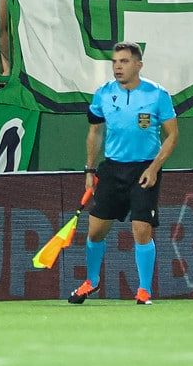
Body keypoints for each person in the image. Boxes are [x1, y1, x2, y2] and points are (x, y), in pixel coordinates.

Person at [70, 40, 178, 306]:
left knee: (141, 230)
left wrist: (154, 169)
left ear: (138, 65)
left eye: (124, 61)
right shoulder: (103, 94)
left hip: (144, 169)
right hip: (112, 169)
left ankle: (143, 290)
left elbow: (173, 135)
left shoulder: (157, 94)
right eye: (115, 62)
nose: (118, 66)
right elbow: (94, 132)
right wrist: (90, 169)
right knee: (95, 232)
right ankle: (91, 282)